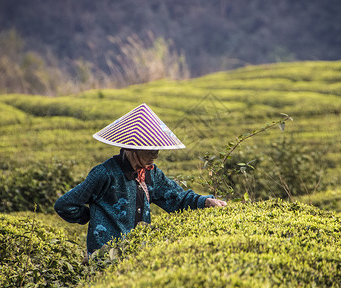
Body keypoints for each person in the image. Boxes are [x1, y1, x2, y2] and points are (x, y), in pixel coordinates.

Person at [54, 103, 226, 255]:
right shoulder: (104, 174)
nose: (155, 154)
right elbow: (64, 204)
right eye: (150, 148)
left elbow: (177, 199)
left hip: (137, 252)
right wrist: (90, 215)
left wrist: (205, 202)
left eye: (157, 149)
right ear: (131, 147)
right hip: (105, 256)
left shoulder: (152, 174)